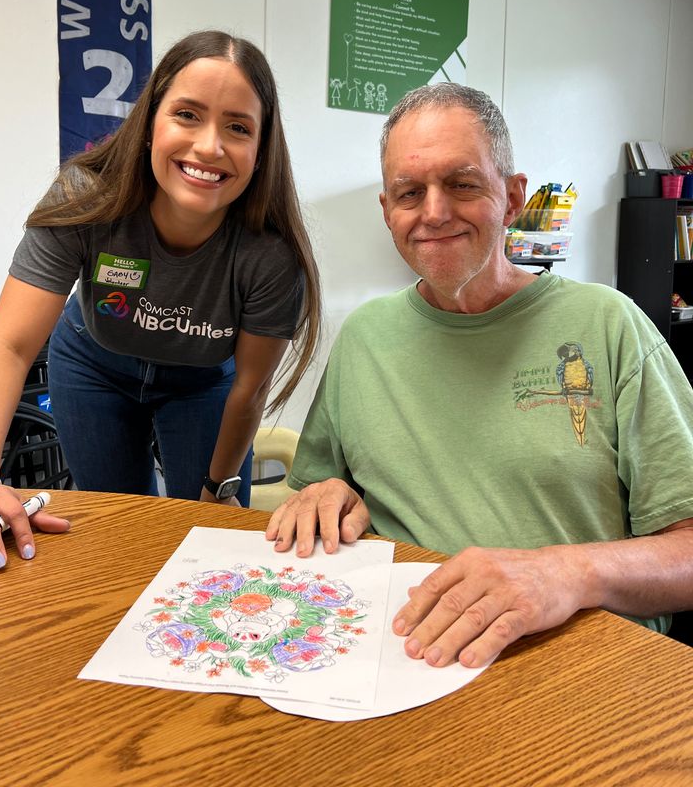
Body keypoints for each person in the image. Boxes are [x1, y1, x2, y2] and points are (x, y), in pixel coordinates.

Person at [266, 82, 693, 669]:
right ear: (387, 210)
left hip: (587, 676)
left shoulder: (610, 326)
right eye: (409, 192)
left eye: (462, 184)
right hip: (407, 661)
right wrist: (331, 493)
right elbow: (319, 489)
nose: (434, 212)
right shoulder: (365, 337)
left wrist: (567, 572)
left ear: (513, 197)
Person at [0, 30, 321, 577]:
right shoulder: (86, 198)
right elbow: (9, 342)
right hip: (95, 366)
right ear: (149, 125)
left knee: (206, 533)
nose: (210, 146)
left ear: (260, 152)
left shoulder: (270, 256)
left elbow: (250, 386)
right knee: (118, 531)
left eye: (238, 127)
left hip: (205, 381)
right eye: (187, 114)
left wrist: (219, 488)